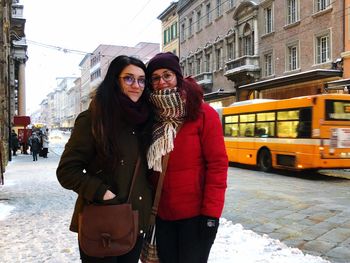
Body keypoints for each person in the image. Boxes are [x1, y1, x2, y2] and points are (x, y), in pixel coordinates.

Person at [56, 55, 154, 263]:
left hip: (136, 222)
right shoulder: (93, 119)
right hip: (103, 221)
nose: (136, 85)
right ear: (114, 81)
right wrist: (103, 193)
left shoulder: (145, 119)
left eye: (141, 80)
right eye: (128, 78)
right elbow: (66, 171)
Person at [146, 52, 228, 263]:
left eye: (167, 75)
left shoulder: (202, 113)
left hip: (196, 217)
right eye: (155, 78)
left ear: (178, 77)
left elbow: (217, 165)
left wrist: (211, 215)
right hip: (162, 216)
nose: (162, 82)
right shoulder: (151, 116)